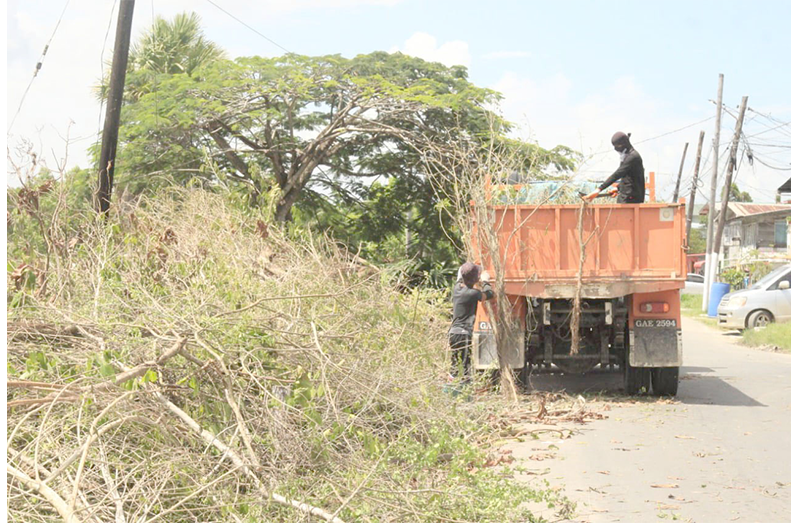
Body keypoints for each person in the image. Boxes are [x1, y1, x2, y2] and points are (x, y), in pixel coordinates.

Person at [448, 262, 495, 382]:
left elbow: (460, 274)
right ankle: (464, 393)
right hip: (464, 334)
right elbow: (489, 294)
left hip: (453, 333)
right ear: (475, 279)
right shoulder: (473, 293)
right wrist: (485, 281)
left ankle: (451, 388)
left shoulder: (457, 288)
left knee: (455, 364)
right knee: (465, 366)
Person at [583, 132, 646, 204]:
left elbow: (618, 174)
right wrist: (618, 188)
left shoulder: (633, 157)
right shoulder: (627, 156)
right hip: (626, 197)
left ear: (624, 144)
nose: (616, 149)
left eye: (617, 146)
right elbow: (629, 178)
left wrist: (598, 189)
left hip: (631, 199)